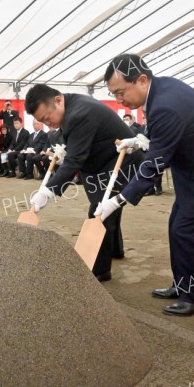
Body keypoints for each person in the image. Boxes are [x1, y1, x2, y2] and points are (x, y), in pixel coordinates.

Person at [97, 53, 194, 316]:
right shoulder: (161, 89)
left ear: (140, 80)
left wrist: (117, 201)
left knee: (185, 231)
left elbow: (153, 166)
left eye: (119, 92)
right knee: (176, 225)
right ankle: (183, 284)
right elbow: (163, 131)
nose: (118, 100)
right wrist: (139, 139)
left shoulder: (165, 104)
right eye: (113, 94)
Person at [25, 84, 145, 281]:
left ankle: (100, 270)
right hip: (106, 161)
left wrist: (48, 192)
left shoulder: (79, 113)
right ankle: (116, 250)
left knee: (99, 211)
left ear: (57, 100)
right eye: (42, 121)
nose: (49, 124)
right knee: (108, 209)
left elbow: (75, 160)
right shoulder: (69, 105)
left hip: (123, 161)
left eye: (48, 117)